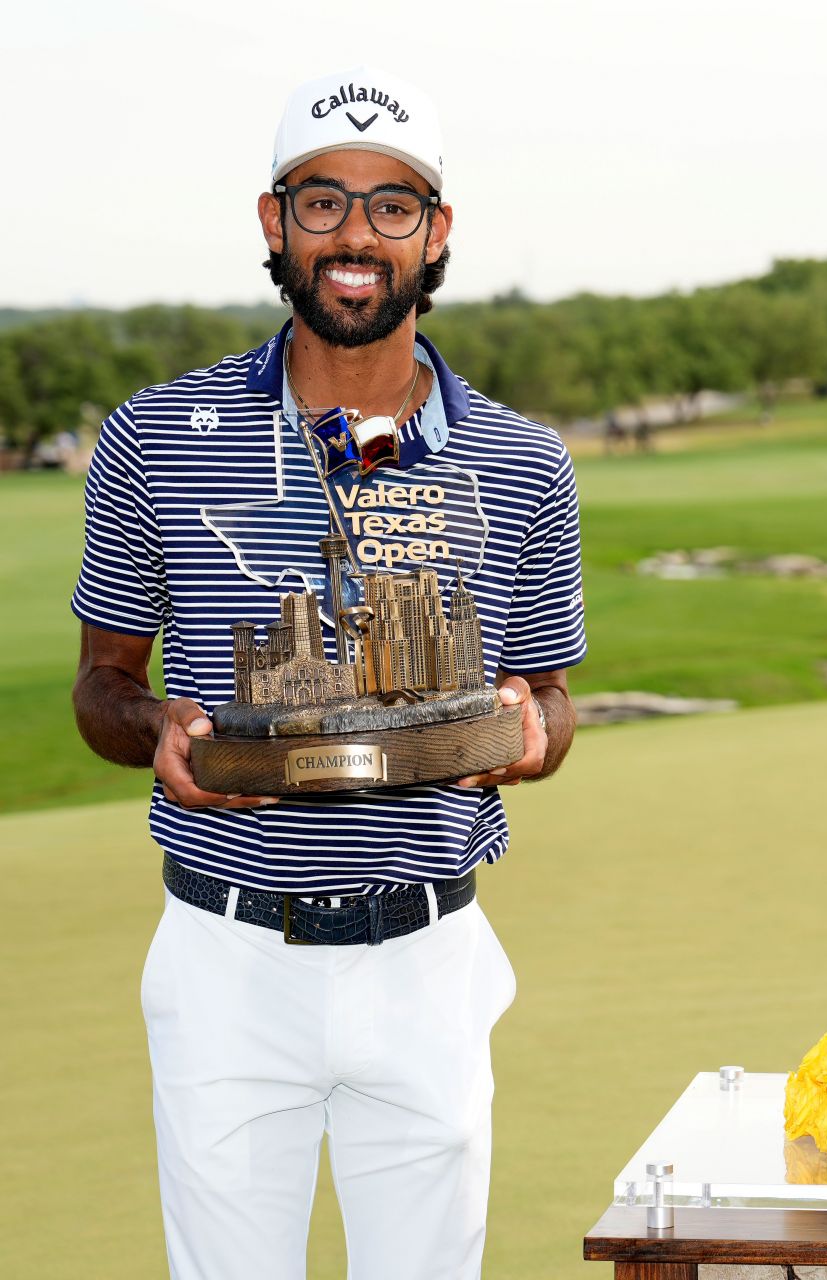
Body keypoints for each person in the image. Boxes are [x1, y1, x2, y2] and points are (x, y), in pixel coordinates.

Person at [69, 67, 586, 1279]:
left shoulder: (525, 462)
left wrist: (531, 730)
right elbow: (99, 684)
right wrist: (157, 727)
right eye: (322, 201)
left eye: (393, 205)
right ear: (273, 223)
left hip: (428, 959)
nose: (356, 233)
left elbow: (555, 700)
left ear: (437, 233)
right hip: (227, 958)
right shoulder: (155, 434)